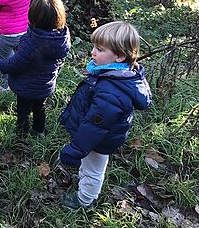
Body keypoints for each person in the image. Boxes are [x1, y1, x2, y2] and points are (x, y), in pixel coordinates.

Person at [58, 21, 152, 209]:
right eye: (94, 47)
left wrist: (76, 149)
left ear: (119, 56)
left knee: (94, 169)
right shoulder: (113, 76)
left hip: (99, 139)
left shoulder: (112, 91)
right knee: (91, 164)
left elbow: (95, 127)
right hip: (97, 136)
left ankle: (85, 200)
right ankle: (85, 177)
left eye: (99, 49)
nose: (93, 52)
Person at [0, 0, 70, 135]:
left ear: (32, 16)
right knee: (40, 108)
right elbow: (60, 62)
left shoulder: (31, 41)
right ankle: (39, 131)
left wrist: (4, 65)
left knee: (23, 111)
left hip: (26, 87)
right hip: (45, 86)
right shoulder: (62, 40)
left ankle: (21, 134)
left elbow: (17, 62)